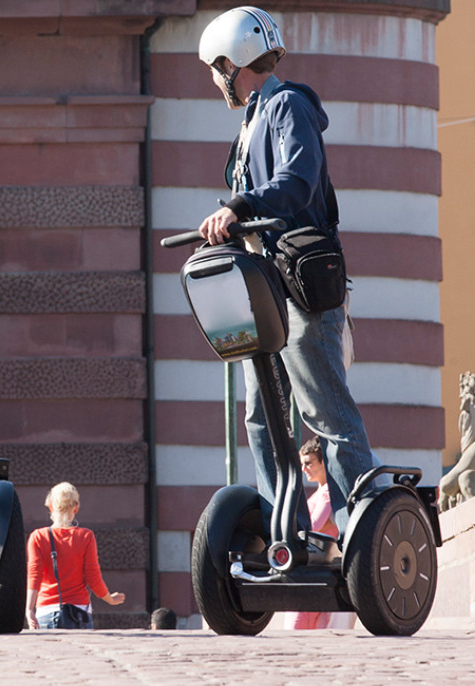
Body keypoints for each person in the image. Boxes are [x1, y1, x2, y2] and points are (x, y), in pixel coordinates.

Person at [196, 7, 378, 537]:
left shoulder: (288, 106)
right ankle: (289, 535)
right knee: (264, 415)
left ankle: (361, 530)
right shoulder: (252, 119)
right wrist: (232, 218)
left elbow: (295, 181)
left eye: (215, 69)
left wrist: (240, 204)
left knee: (323, 413)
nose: (214, 80)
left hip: (302, 287)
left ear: (233, 63)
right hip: (265, 289)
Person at [26, 483, 125, 629]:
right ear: (76, 507)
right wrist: (109, 598)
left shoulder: (38, 537)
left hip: (46, 612)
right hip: (80, 613)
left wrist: (29, 609)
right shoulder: (86, 536)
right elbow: (93, 577)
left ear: (50, 507)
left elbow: (34, 575)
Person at [283, 438, 357, 630]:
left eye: (308, 463)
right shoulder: (320, 493)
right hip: (316, 574)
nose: (304, 468)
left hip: (322, 574)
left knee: (297, 631)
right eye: (302, 464)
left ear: (323, 462)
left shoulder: (327, 494)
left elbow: (311, 529)